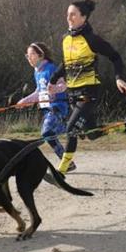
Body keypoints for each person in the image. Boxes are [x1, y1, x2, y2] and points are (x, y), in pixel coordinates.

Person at [48, 0, 126, 174]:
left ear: (84, 17)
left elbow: (115, 56)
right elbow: (66, 64)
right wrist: (52, 80)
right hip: (72, 93)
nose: (69, 18)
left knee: (71, 129)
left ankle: (63, 170)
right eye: (67, 14)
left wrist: (119, 77)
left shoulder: (91, 39)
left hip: (89, 92)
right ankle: (125, 126)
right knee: (92, 133)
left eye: (73, 14)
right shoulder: (65, 39)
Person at [17, 42, 75, 171]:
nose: (29, 58)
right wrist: (24, 101)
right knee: (48, 135)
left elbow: (64, 86)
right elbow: (38, 92)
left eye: (32, 54)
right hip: (46, 109)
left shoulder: (51, 68)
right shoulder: (37, 72)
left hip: (57, 106)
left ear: (41, 55)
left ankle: (73, 129)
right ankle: (68, 162)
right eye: (27, 55)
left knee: (46, 132)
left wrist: (53, 89)